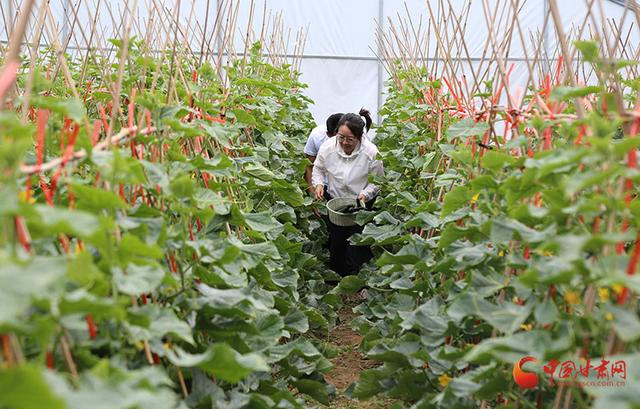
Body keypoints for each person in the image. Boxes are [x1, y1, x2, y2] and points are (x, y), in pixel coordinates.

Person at [311, 109, 383, 276]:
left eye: (349, 139)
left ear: (359, 137)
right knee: (336, 240)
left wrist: (365, 193)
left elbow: (377, 181)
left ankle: (359, 279)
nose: (344, 142)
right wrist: (319, 184)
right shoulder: (327, 148)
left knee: (358, 241)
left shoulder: (371, 153)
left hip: (361, 201)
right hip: (336, 200)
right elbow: (318, 169)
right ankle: (337, 275)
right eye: (340, 137)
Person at [304, 113, 344, 194]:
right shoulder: (317, 136)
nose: (344, 142)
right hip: (323, 183)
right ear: (328, 134)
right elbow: (310, 165)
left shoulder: (359, 138)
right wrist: (312, 193)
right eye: (340, 138)